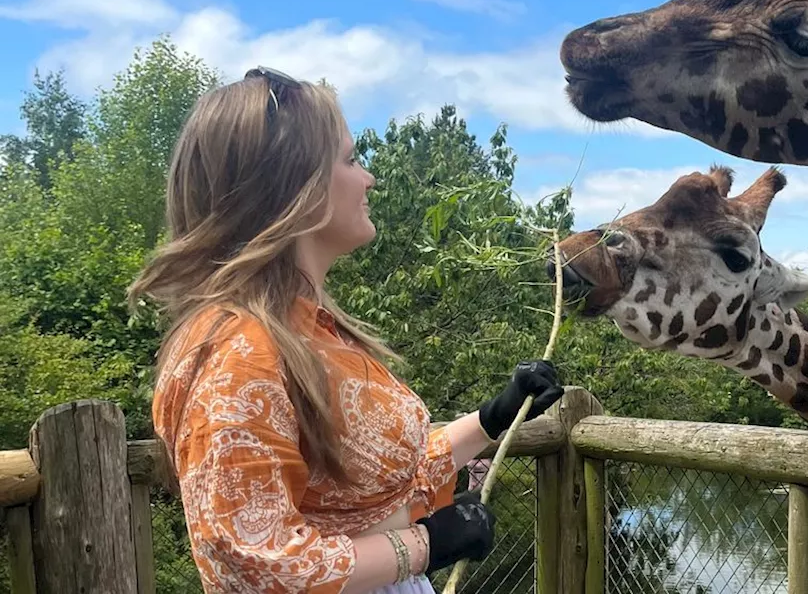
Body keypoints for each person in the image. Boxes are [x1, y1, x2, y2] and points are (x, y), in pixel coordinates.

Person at [128, 66, 565, 593]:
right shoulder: (239, 355)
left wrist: (490, 418)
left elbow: (366, 492)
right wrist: (425, 545)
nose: (369, 178)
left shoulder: (303, 331)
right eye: (351, 159)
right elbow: (254, 563)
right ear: (296, 185)